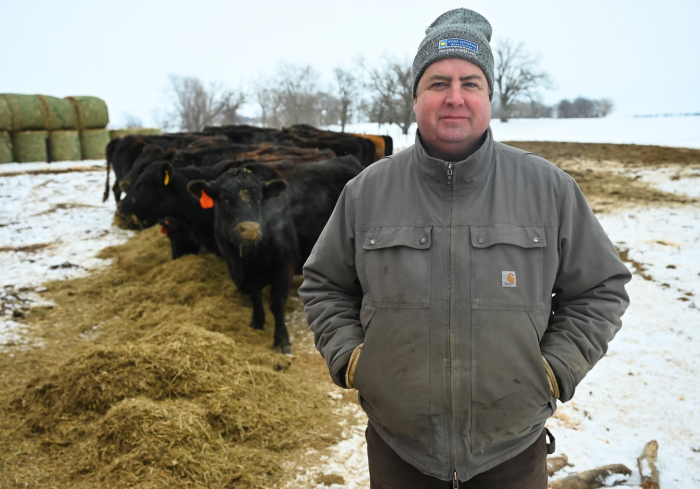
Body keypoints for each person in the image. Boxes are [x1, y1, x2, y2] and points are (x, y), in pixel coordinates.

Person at [299, 8, 631, 488]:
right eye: (437, 83)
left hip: (512, 450)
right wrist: (352, 359)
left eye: (470, 83)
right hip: (400, 452)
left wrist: (555, 370)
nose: (454, 98)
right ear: (415, 98)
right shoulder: (366, 192)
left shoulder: (548, 188)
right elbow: (323, 283)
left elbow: (602, 287)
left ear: (489, 97)